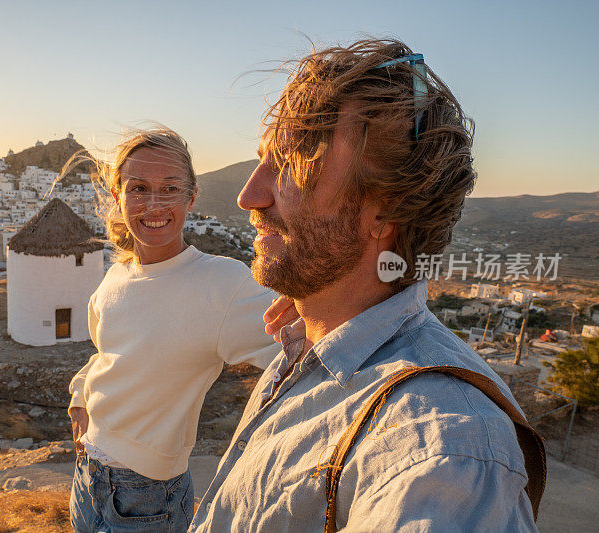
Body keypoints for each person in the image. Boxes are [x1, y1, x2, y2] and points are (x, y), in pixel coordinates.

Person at [191, 39, 544, 532]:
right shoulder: (312, 344)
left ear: (389, 213)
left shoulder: (442, 450)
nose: (248, 194)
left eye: (293, 165)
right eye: (263, 160)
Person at [67, 127, 288, 532]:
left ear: (191, 197)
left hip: (147, 497)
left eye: (170, 189)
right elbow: (105, 353)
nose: (154, 204)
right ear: (119, 197)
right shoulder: (114, 277)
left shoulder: (223, 284)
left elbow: (307, 347)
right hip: (85, 478)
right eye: (139, 188)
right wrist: (80, 394)